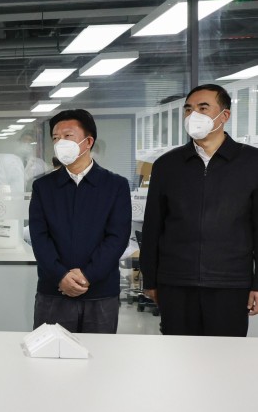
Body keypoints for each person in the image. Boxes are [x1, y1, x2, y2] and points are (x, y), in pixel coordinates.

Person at [141, 83, 258, 337]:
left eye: (203, 108)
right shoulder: (166, 165)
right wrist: (149, 279)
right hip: (175, 282)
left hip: (230, 283)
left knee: (225, 360)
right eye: (188, 109)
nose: (194, 115)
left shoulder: (251, 162)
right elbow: (153, 226)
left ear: (224, 115)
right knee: (177, 360)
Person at [28, 109, 131, 333]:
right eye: (55, 138)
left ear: (88, 141)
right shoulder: (43, 187)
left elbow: (117, 238)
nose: (60, 143)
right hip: (54, 291)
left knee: (100, 358)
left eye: (68, 136)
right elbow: (39, 237)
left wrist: (87, 276)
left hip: (100, 294)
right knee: (48, 362)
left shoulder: (115, 185)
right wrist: (61, 276)